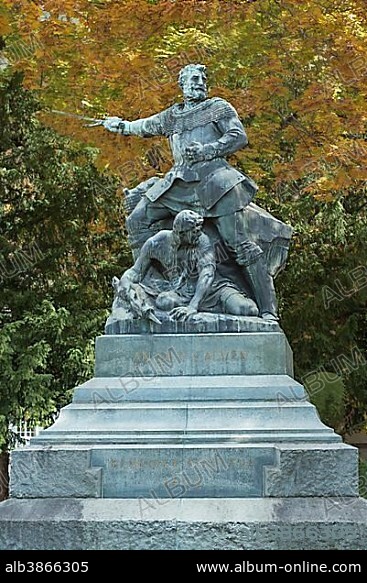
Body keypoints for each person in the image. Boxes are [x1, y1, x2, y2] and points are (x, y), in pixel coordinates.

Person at [103, 64, 292, 320]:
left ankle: (269, 310)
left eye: (203, 79)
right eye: (193, 79)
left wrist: (208, 150)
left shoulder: (218, 107)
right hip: (179, 183)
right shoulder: (172, 115)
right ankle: (148, 285)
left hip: (216, 182)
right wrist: (121, 126)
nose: (199, 82)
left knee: (239, 244)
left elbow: (239, 136)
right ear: (182, 84)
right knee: (137, 219)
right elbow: (145, 126)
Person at [114, 210, 259, 322]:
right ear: (182, 233)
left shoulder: (203, 241)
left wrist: (193, 307)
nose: (199, 233)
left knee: (248, 309)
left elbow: (207, 273)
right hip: (180, 294)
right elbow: (136, 272)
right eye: (194, 231)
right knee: (164, 301)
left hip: (212, 290)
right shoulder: (156, 243)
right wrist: (125, 283)